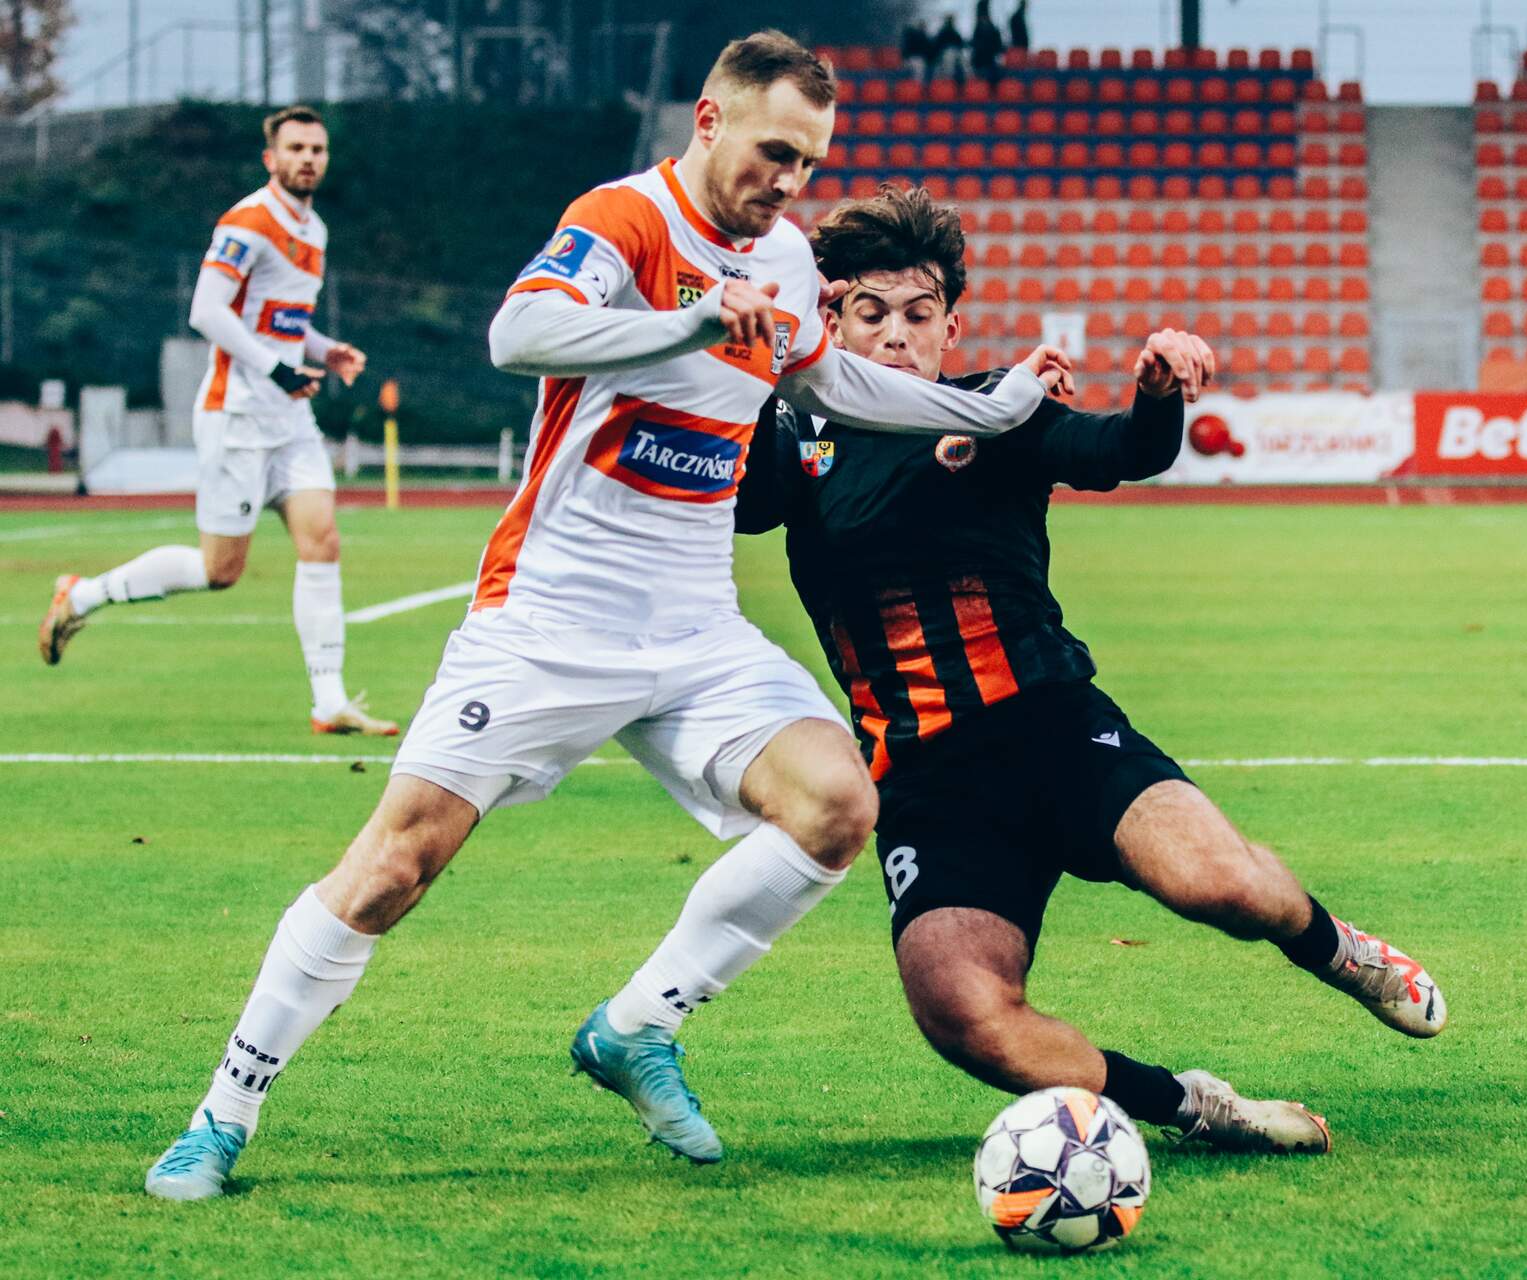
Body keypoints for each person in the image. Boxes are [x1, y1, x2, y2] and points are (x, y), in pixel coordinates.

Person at [141, 32, 1070, 1201]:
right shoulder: (626, 218)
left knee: (837, 802)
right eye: (775, 151)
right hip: (549, 618)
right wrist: (692, 322)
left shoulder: (788, 257)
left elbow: (826, 376)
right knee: (392, 865)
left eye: (810, 161)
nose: (790, 180)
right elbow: (517, 333)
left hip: (695, 631)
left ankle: (637, 1024)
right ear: (709, 121)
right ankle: (221, 1114)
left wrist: (989, 411)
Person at [736, 186, 1449, 1155]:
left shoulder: (997, 408)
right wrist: (750, 361)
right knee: (961, 1010)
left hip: (1054, 728)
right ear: (833, 321)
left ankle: (1338, 949)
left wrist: (1157, 392)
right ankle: (1197, 1105)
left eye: (917, 313)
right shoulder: (795, 437)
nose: (895, 335)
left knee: (1223, 886)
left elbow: (1120, 450)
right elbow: (740, 502)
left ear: (951, 325)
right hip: (926, 779)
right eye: (869, 312)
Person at [37, 106, 393, 736]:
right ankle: (82, 594)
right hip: (236, 415)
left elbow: (280, 319)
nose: (308, 159)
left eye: (317, 149)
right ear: (270, 158)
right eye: (296, 149)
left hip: (289, 417)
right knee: (219, 571)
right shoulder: (247, 221)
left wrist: (323, 349)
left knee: (322, 541)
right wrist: (276, 369)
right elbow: (207, 310)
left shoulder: (314, 229)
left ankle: (329, 703)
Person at [970, 0, 1006, 86]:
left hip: (990, 60)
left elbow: (998, 46)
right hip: (980, 61)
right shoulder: (978, 30)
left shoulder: (993, 29)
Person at [930, 13, 967, 84]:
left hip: (956, 51)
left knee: (964, 62)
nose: (951, 21)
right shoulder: (943, 30)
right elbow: (938, 43)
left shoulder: (955, 31)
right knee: (949, 64)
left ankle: (968, 81)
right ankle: (948, 81)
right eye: (949, 19)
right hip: (946, 51)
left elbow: (960, 42)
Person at [901, 19, 934, 83]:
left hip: (917, 59)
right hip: (914, 58)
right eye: (922, 26)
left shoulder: (922, 36)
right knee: (914, 78)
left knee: (916, 78)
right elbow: (906, 47)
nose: (923, 27)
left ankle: (914, 87)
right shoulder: (914, 35)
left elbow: (928, 50)